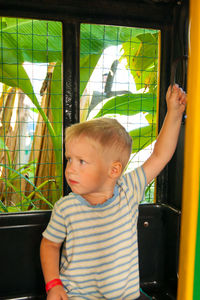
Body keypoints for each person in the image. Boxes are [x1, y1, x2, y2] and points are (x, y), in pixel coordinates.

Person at [40, 84, 186, 300]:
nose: (70, 168)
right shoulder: (66, 208)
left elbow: (159, 156)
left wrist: (174, 112)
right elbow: (50, 245)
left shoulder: (128, 190)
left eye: (82, 161)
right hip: (78, 296)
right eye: (69, 159)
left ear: (114, 170)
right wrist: (53, 285)